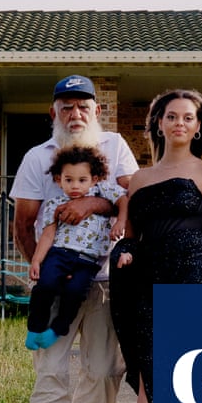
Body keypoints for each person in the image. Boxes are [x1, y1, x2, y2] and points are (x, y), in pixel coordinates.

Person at [12, 75, 138, 403]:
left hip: (103, 281)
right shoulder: (38, 156)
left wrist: (93, 203)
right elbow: (22, 225)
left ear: (98, 111)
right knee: (51, 373)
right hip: (55, 279)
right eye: (66, 107)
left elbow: (132, 200)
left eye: (83, 106)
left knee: (102, 373)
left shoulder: (115, 146)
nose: (75, 113)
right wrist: (42, 268)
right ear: (54, 112)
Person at [110, 89, 202, 403]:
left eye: (188, 117)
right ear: (159, 124)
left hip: (192, 281)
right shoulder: (140, 179)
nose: (179, 123)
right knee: (150, 374)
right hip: (146, 285)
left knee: (188, 373)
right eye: (171, 116)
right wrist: (125, 251)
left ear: (198, 128)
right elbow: (131, 237)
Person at [26, 145, 126, 351]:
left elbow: (125, 200)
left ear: (94, 179)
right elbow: (48, 233)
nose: (75, 186)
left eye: (82, 180)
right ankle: (34, 328)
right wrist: (37, 260)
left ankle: (57, 329)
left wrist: (120, 222)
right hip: (59, 254)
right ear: (58, 179)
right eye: (68, 180)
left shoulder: (102, 191)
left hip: (88, 261)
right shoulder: (56, 203)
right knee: (45, 285)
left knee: (74, 292)